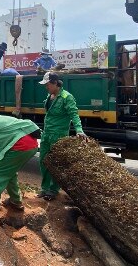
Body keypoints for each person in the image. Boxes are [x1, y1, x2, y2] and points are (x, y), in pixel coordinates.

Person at [38, 72, 89, 200]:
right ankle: (44, 188)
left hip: (59, 135)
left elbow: (74, 114)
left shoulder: (67, 97)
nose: (46, 87)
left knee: (56, 163)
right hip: (46, 134)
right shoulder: (50, 96)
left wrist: (79, 130)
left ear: (55, 83)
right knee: (43, 161)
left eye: (48, 84)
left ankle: (53, 190)